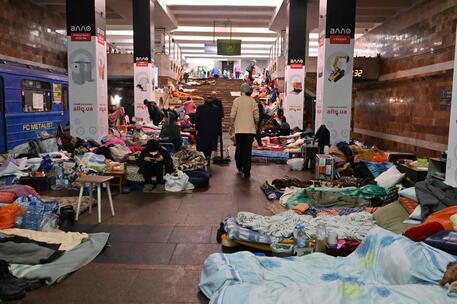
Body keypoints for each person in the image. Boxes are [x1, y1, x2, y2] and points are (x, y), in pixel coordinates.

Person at [230, 83, 259, 178]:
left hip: (239, 129)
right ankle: (247, 170)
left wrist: (231, 125)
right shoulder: (253, 101)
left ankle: (239, 166)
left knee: (239, 148)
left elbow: (232, 115)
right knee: (247, 150)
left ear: (241, 91)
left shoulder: (237, 100)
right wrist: (256, 125)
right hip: (250, 130)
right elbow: (257, 117)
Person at [195, 97, 223, 166]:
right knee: (210, 145)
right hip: (213, 130)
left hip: (203, 130)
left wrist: (196, 128)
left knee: (204, 145)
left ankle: (206, 158)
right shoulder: (216, 108)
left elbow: (197, 119)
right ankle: (208, 157)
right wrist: (219, 131)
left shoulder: (200, 108)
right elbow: (219, 121)